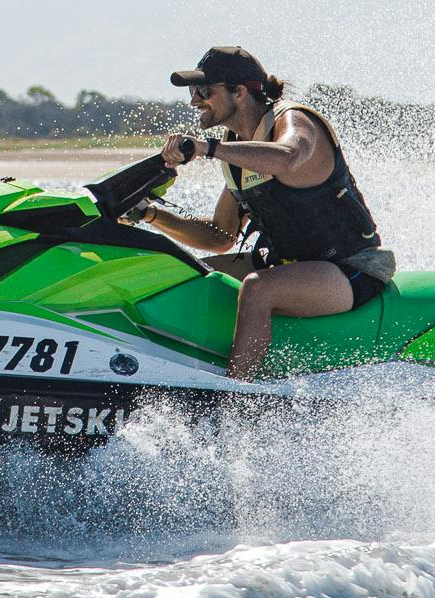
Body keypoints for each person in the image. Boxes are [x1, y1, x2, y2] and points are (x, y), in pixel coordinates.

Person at [130, 46, 397, 381]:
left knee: (258, 288)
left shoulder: (293, 120)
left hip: (352, 268)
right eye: (192, 91)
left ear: (239, 92)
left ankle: (235, 402)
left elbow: (288, 157)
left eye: (203, 91)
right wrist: (148, 214)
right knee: (185, 274)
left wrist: (207, 148)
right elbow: (220, 236)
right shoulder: (235, 148)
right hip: (289, 264)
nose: (194, 101)